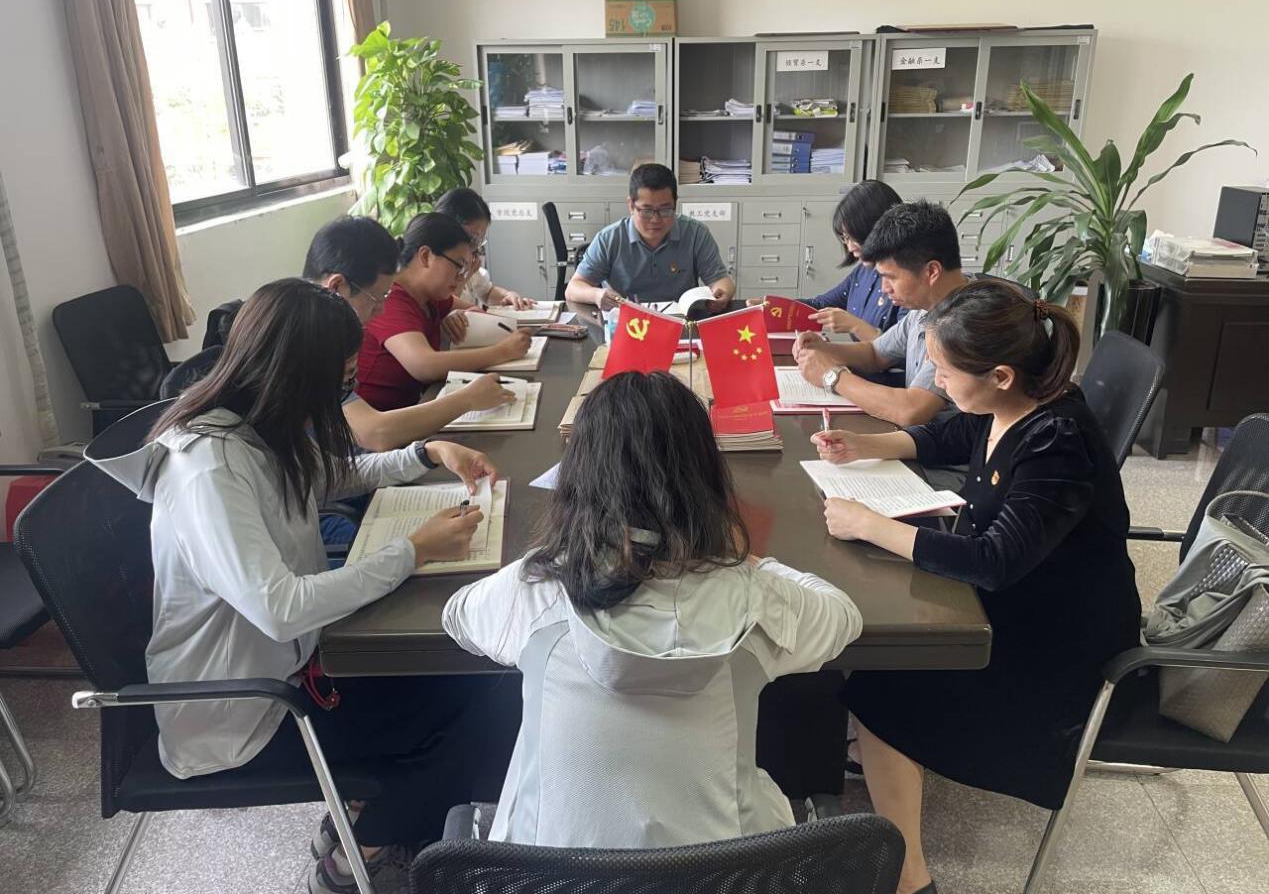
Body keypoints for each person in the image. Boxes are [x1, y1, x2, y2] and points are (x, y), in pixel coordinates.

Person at [86, 278, 521, 894]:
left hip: (295, 668)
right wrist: (413, 550)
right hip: (249, 714)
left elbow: (329, 477)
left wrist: (427, 453)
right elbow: (281, 608)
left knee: (478, 678)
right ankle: (361, 854)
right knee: (493, 709)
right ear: (295, 378)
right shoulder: (208, 468)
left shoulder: (251, 429)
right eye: (339, 383)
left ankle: (367, 817)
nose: (344, 397)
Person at [811, 280, 1142, 894]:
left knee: (880, 690)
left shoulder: (1056, 441)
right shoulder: (1013, 405)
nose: (935, 380)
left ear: (1000, 376)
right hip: (1017, 605)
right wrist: (862, 446)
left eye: (943, 370)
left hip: (1059, 649)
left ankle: (909, 877)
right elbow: (951, 436)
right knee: (878, 656)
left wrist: (872, 525)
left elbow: (993, 561)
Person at [442, 371, 861, 848]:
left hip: (550, 876)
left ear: (579, 476)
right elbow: (842, 616)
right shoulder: (754, 595)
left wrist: (550, 558)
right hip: (724, 872)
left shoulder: (537, 588)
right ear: (705, 476)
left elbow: (458, 616)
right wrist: (753, 563)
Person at [303, 215, 515, 451]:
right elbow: (376, 434)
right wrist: (468, 399)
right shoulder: (304, 343)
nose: (382, 309)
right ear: (337, 288)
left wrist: (427, 455)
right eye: (377, 298)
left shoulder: (327, 332)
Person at [794, 200, 969, 427]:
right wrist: (824, 349)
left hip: (941, 447)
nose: (885, 289)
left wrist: (832, 376)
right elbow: (876, 354)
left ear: (931, 271)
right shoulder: (925, 306)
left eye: (891, 278)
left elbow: (912, 411)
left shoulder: (966, 320)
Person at [357, 212, 532, 411]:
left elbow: (479, 313)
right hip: (382, 419)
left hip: (415, 406)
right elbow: (425, 365)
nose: (462, 278)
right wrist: (503, 351)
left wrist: (464, 315)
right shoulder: (390, 298)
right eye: (459, 266)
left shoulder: (429, 296)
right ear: (425, 256)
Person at [748, 180, 904, 341]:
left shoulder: (909, 283)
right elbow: (820, 305)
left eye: (854, 237)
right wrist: (774, 307)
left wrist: (855, 326)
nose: (850, 247)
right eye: (845, 238)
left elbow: (904, 351)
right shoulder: (863, 272)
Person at [565, 163, 735, 310]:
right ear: (631, 205)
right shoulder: (609, 238)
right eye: (646, 211)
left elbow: (721, 280)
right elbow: (573, 288)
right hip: (627, 323)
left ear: (675, 204)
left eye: (665, 210)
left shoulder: (696, 233)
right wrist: (597, 294)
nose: (656, 220)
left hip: (680, 323)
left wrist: (722, 293)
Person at [433, 187, 535, 312]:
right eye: (472, 239)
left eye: (479, 241)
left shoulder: (469, 262)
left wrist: (507, 296)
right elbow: (445, 307)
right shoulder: (437, 268)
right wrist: (465, 276)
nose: (474, 248)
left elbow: (487, 292)